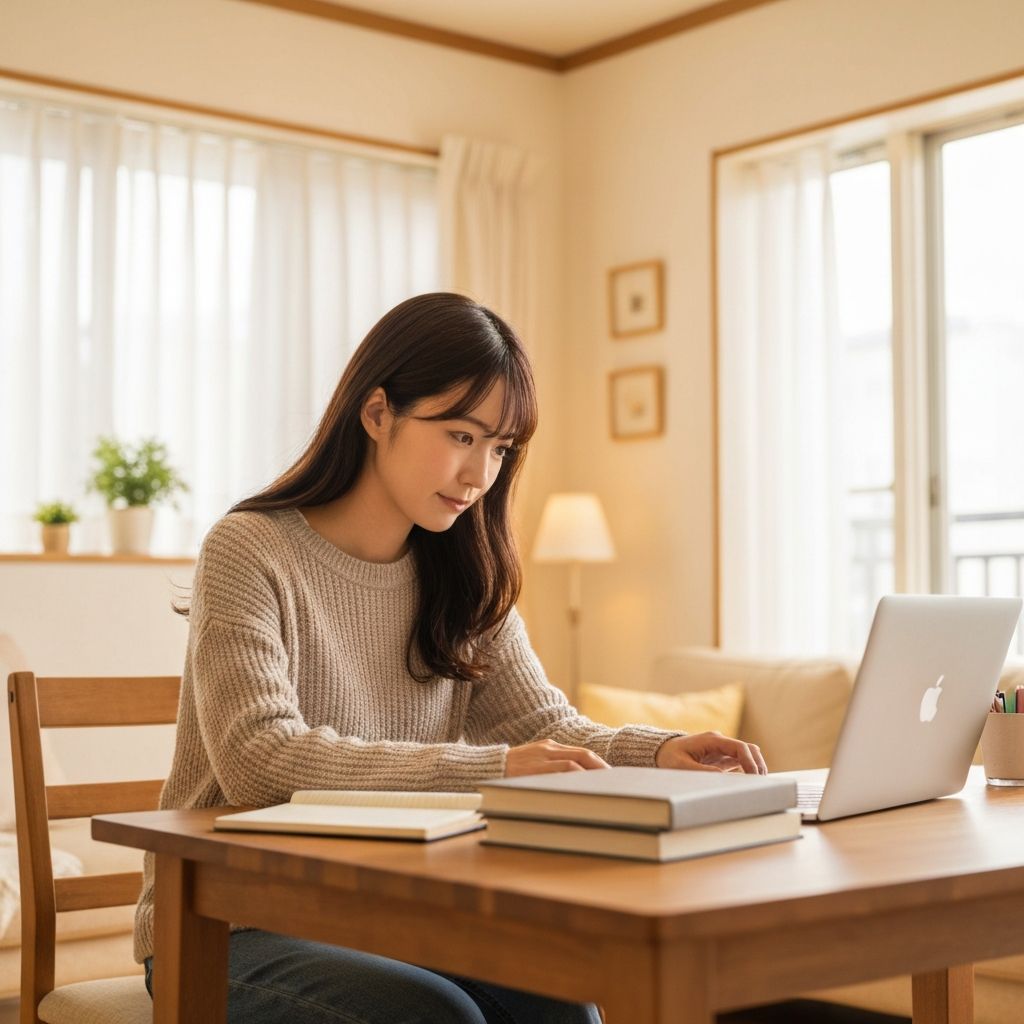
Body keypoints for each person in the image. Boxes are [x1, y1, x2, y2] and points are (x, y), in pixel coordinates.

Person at [134, 292, 766, 1024]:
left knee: (566, 1000)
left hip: (392, 915)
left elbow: (540, 726)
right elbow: (259, 757)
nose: (480, 475)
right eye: (462, 435)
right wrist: (494, 770)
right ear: (376, 414)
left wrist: (657, 754)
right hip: (229, 923)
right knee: (435, 1017)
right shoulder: (251, 550)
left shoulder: (465, 573)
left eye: (500, 449)